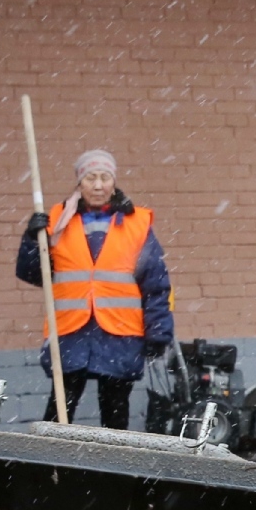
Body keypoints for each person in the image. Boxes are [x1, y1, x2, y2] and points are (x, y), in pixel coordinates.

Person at [17, 149, 172, 430]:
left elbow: (156, 284)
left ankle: (112, 472)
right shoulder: (56, 220)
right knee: (58, 413)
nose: (98, 185)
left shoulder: (136, 224)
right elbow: (32, 272)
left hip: (119, 334)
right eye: (90, 178)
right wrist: (31, 239)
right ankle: (52, 469)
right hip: (70, 333)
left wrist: (159, 331)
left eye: (104, 177)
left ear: (113, 182)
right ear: (79, 183)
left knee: (115, 415)